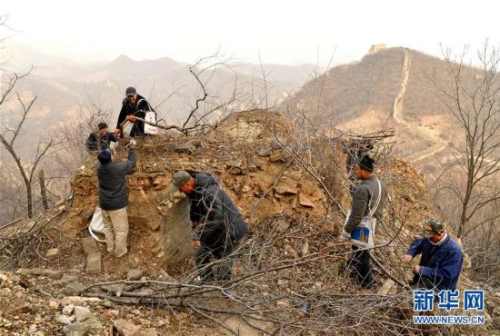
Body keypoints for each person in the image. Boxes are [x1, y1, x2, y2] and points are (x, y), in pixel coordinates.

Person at [169, 171, 249, 283]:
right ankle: (207, 284)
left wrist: (198, 235)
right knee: (200, 255)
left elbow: (216, 217)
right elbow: (196, 203)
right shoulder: (197, 188)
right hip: (215, 230)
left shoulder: (209, 191)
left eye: (180, 188)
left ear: (187, 184)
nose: (180, 191)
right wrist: (194, 219)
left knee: (224, 259)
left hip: (229, 230)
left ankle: (225, 290)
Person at [342, 155, 387, 289]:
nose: (356, 172)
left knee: (363, 254)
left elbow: (356, 217)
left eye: (357, 170)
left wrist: (346, 230)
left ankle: (366, 283)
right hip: (374, 223)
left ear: (364, 170)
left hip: (363, 226)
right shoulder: (380, 184)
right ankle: (353, 271)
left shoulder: (362, 189)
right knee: (360, 250)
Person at [97, 139, 137, 258]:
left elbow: (103, 160)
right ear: (111, 159)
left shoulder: (99, 168)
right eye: (112, 156)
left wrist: (110, 151)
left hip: (104, 204)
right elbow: (131, 163)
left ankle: (110, 249)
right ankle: (120, 252)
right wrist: (132, 149)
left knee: (108, 227)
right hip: (116, 205)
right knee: (121, 230)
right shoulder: (118, 168)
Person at [402, 219, 463, 292]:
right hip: (422, 282)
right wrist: (410, 253)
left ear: (440, 233)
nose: (427, 238)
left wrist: (422, 270)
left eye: (430, 236)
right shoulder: (429, 239)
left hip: (440, 290)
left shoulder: (454, 251)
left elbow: (447, 276)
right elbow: (418, 243)